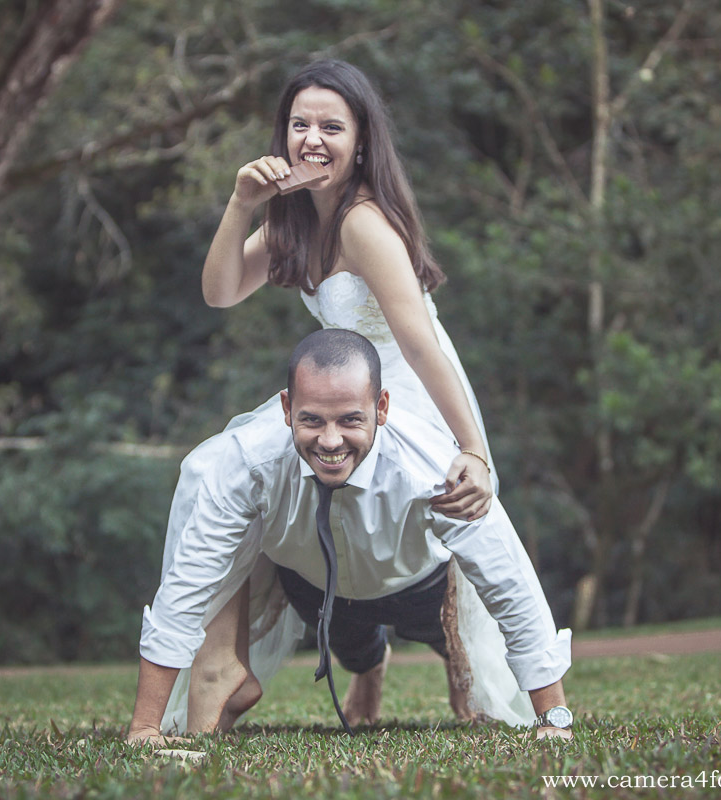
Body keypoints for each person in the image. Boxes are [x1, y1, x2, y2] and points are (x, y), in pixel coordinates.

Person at [142, 58, 553, 736]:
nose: (312, 138)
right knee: (223, 471)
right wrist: (242, 201)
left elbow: (421, 345)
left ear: (361, 142)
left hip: (406, 402)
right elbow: (218, 291)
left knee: (365, 515)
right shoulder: (294, 220)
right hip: (347, 400)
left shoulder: (364, 222)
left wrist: (473, 450)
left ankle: (407, 654)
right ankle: (242, 660)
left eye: (331, 126)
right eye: (299, 124)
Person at [128, 330, 573, 743]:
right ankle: (370, 668)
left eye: (350, 419)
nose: (330, 440)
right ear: (286, 408)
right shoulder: (245, 464)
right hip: (318, 591)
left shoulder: (433, 468)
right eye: (312, 420)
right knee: (355, 653)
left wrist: (552, 717)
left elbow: (510, 582)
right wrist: (145, 727)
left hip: (423, 586)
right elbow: (188, 585)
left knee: (454, 650)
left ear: (381, 407)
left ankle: (454, 667)